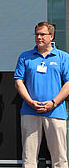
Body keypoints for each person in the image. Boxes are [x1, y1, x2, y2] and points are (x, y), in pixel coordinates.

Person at [14, 21, 69, 168]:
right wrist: (30, 102)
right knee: (29, 158)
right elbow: (18, 82)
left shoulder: (63, 57)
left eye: (42, 34)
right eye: (37, 34)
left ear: (51, 36)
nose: (39, 37)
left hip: (56, 112)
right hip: (30, 111)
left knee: (60, 158)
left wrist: (54, 102)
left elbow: (68, 84)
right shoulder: (25, 57)